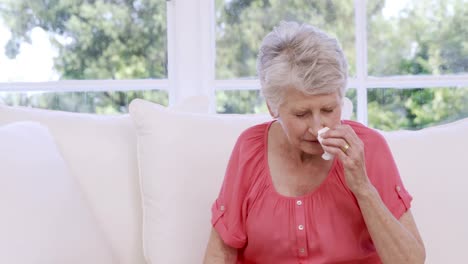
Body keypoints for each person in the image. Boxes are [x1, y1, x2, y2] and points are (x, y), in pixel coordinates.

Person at [203, 21, 425, 264]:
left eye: (329, 109)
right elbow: (220, 253)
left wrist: (362, 187)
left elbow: (410, 261)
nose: (318, 126)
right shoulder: (250, 149)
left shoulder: (369, 148)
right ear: (272, 106)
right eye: (302, 114)